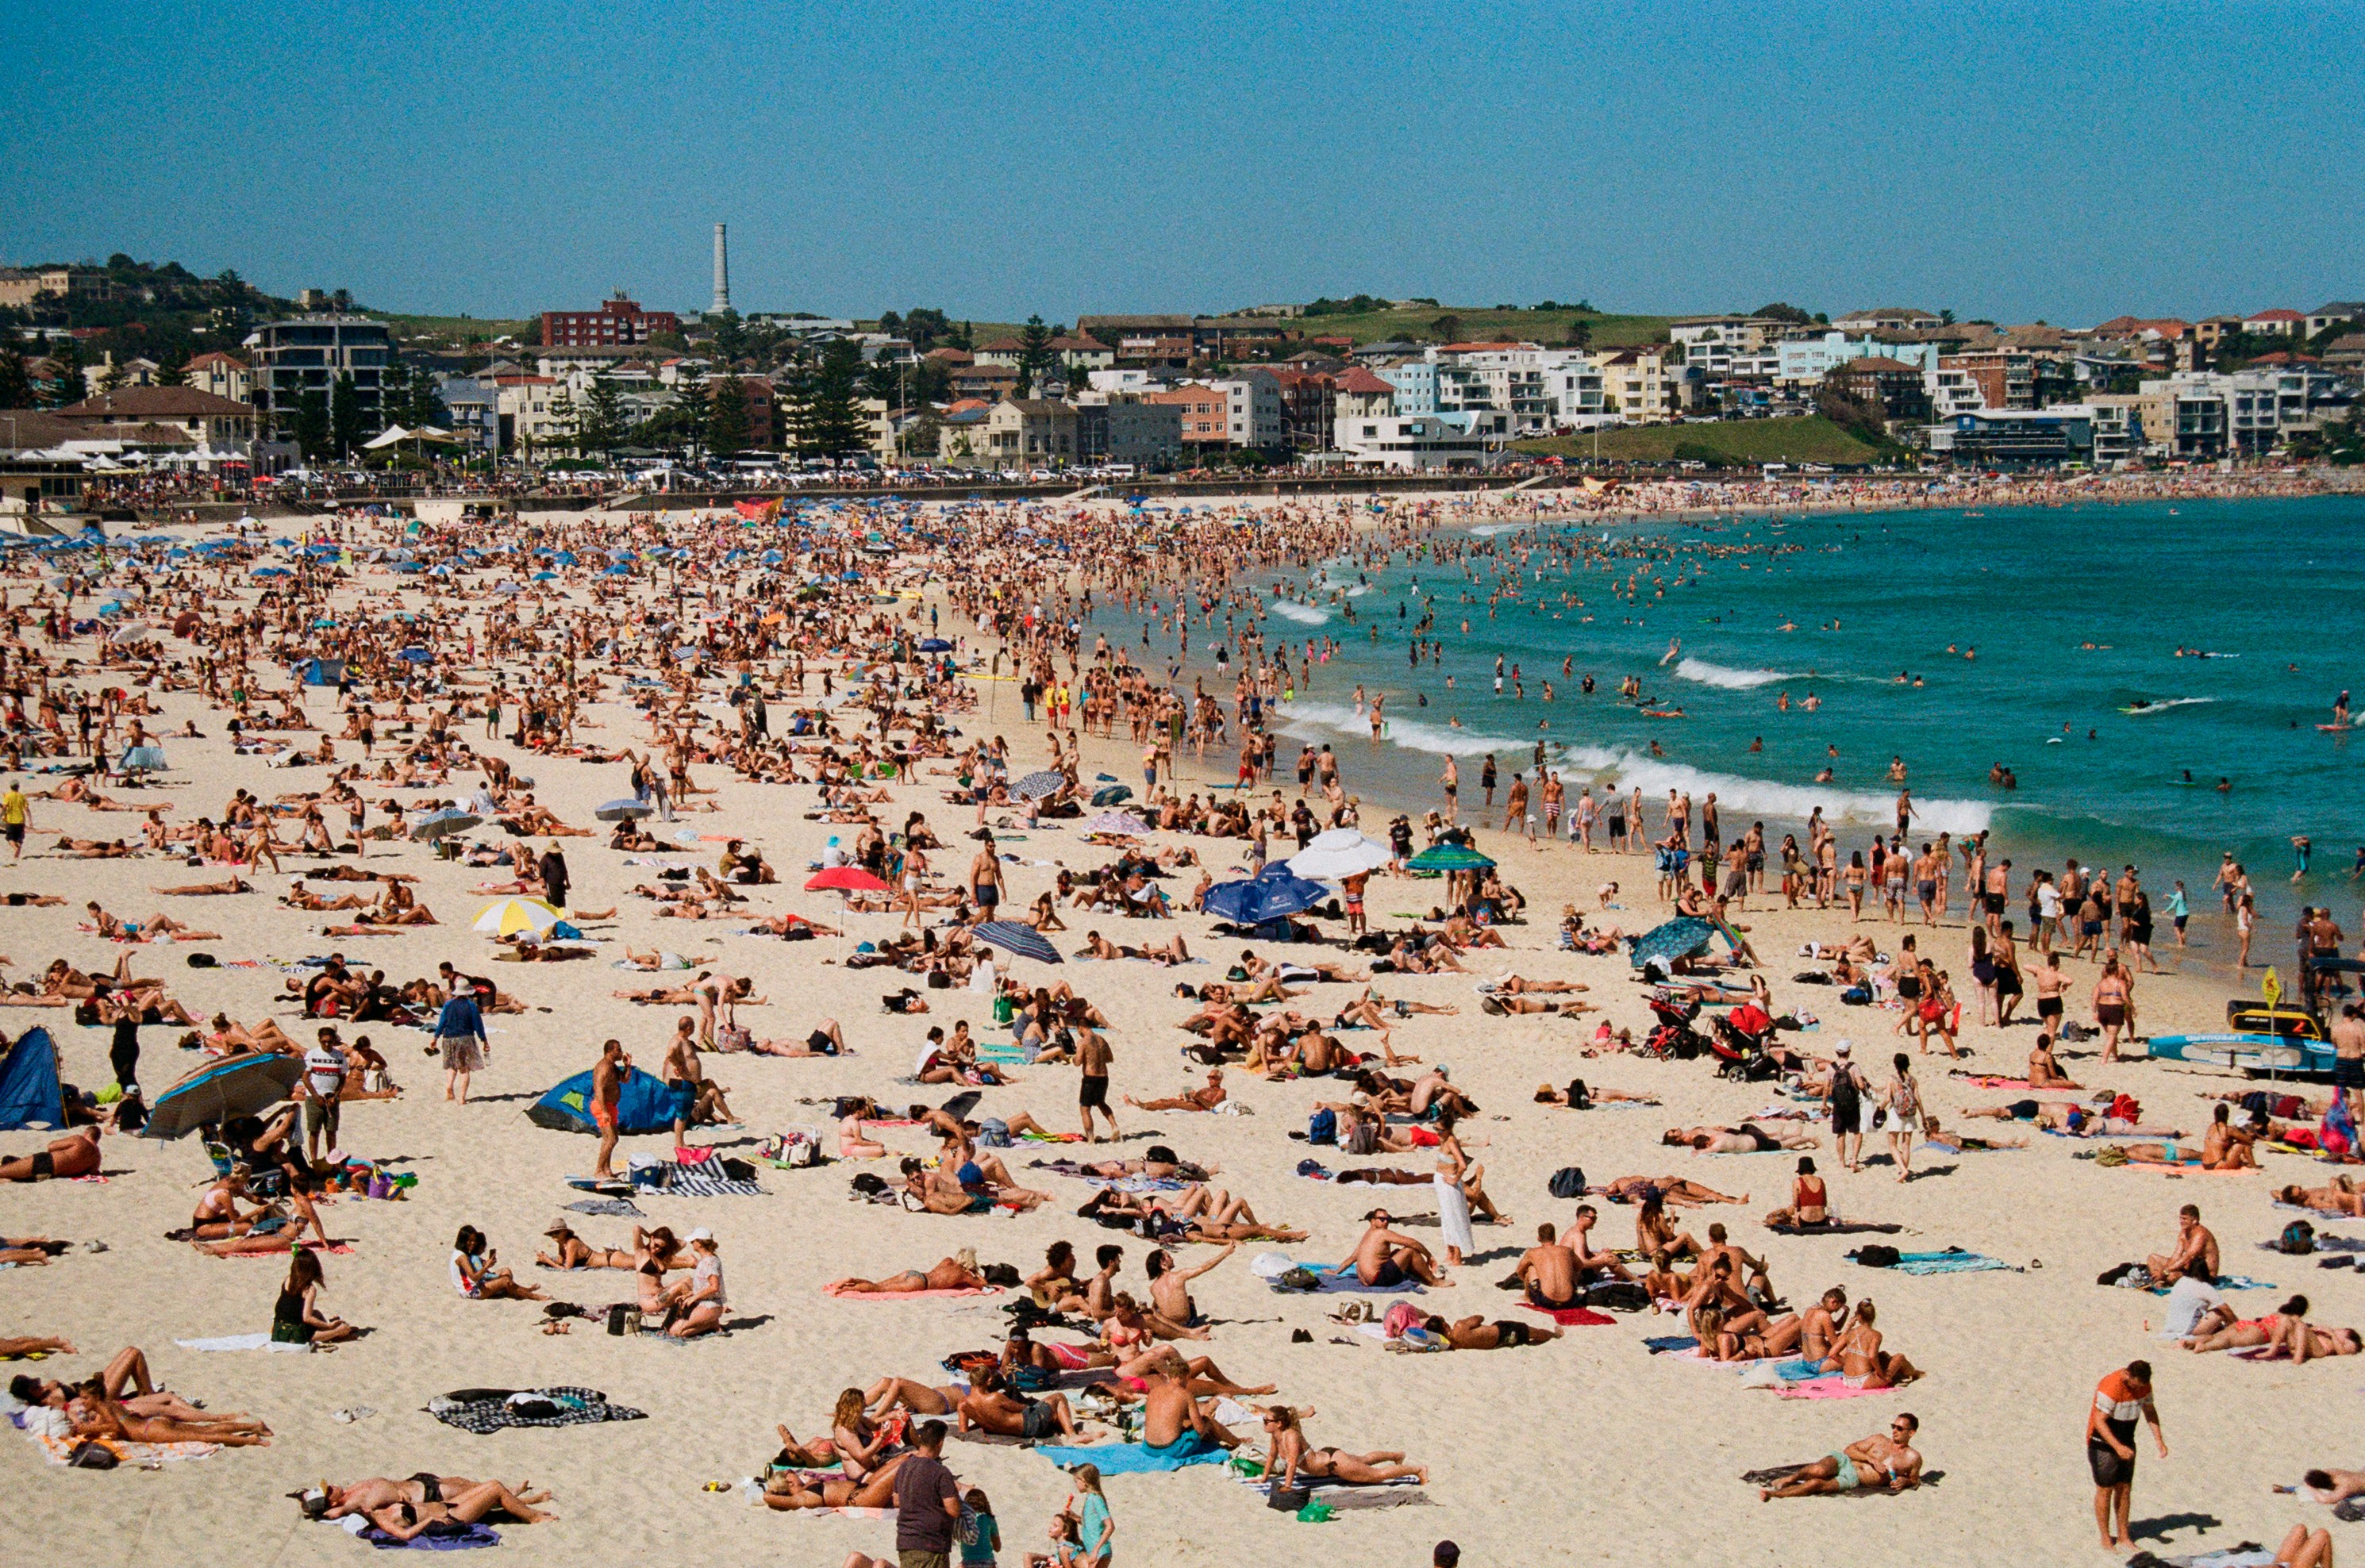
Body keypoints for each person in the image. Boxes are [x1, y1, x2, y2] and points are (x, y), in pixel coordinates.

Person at [2088, 1360, 2166, 1551]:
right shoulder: (2111, 1386)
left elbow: (2149, 1411)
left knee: (2124, 1488)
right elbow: (2099, 1421)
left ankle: (2124, 1535)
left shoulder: (2144, 1385)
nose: (2138, 1389)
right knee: (2105, 1489)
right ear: (2128, 1375)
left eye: (2141, 1386)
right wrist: (2117, 1447)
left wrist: (2159, 1441)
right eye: (2136, 1385)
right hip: (2102, 1442)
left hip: (2127, 1439)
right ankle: (2106, 1537)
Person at [1759, 1414, 1924, 1498]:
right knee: (1819, 1470)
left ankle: (1774, 1494)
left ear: (1912, 1433)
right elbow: (1849, 1450)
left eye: (1900, 1429)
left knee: (1816, 1484)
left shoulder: (1913, 1458)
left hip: (1854, 1478)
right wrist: (1871, 1459)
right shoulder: (1879, 1439)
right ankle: (1791, 1479)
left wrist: (1906, 1481)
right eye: (1894, 1426)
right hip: (1846, 1461)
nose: (1894, 1431)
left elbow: (1915, 1480)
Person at [892, 1419, 963, 1568]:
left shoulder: (904, 1467)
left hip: (906, 1541)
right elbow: (954, 1510)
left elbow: (896, 1501)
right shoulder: (940, 1472)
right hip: (931, 1543)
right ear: (940, 1443)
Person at [273, 1247, 360, 1343]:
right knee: (344, 1328)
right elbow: (307, 1318)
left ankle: (330, 1332)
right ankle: (336, 1333)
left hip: (278, 1330)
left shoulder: (288, 1280)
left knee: (317, 1313)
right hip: (296, 1335)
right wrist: (328, 1326)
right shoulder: (309, 1289)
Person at [433, 978, 488, 1104]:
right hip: (465, 1039)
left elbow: (442, 1022)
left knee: (451, 1066)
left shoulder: (448, 1005)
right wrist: (484, 1039)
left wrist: (435, 1038)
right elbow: (478, 1024)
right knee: (464, 1069)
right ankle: (462, 1098)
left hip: (448, 1038)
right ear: (468, 992)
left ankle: (449, 1087)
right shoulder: (471, 1006)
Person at [2146, 1204, 2218, 1287]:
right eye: (2180, 1218)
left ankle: (2162, 1280)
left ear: (2195, 1221)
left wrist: (2166, 1271)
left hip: (2203, 1275)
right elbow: (2176, 1256)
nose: (2181, 1221)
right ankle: (2158, 1280)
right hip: (2188, 1269)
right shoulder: (2184, 1233)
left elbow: (2189, 1257)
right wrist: (2163, 1270)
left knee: (2171, 1277)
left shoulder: (2201, 1234)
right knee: (2152, 1258)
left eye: (2184, 1219)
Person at [591, 1038, 626, 1179]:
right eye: (618, 1049)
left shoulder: (613, 1066)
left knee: (613, 1138)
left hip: (610, 1106)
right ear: (610, 1051)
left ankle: (606, 1169)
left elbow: (624, 1080)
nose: (621, 1052)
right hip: (602, 1106)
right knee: (610, 1139)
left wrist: (628, 1066)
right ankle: (599, 1169)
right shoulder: (604, 1067)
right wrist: (604, 1111)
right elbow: (598, 1088)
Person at [1076, 1024, 1117, 1142]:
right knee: (1101, 1102)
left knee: (1085, 1109)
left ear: (1080, 1027)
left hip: (1090, 1078)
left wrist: (1073, 1059)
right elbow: (1110, 1058)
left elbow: (1078, 1061)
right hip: (1104, 1077)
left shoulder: (1083, 1042)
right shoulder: (1101, 1039)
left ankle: (1090, 1138)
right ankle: (1114, 1126)